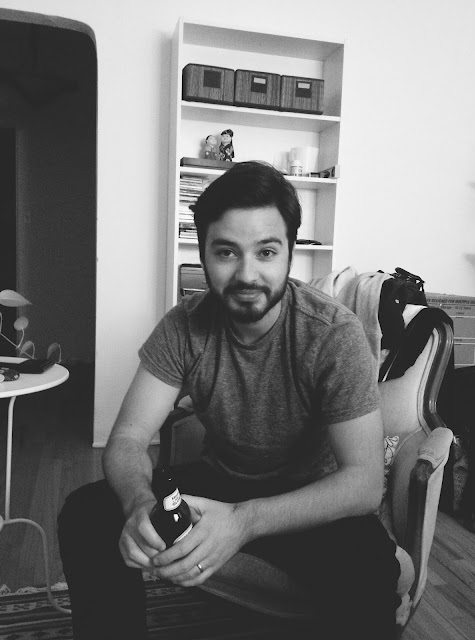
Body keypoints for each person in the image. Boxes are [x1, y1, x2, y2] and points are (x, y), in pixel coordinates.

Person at [58, 161, 400, 640]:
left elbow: (363, 484)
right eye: (225, 252)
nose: (247, 274)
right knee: (88, 513)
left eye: (266, 252)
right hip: (220, 483)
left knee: (371, 570)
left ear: (290, 253)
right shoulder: (184, 326)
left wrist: (244, 522)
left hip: (308, 501)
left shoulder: (333, 335)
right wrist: (139, 504)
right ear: (202, 253)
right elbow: (129, 437)